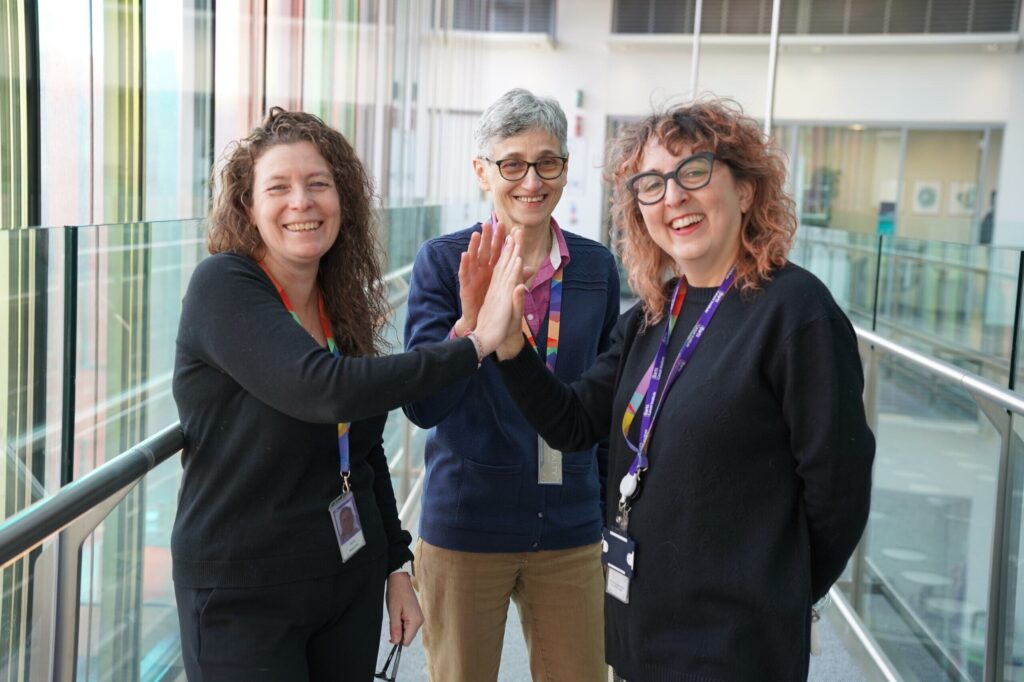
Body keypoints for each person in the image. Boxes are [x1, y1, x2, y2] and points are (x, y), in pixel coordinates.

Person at [485, 99, 875, 680]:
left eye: (693, 172)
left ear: (744, 190)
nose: (673, 197)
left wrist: (774, 590)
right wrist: (511, 347)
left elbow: (837, 493)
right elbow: (571, 423)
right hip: (643, 632)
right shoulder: (653, 315)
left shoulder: (796, 314)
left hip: (733, 648)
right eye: (651, 184)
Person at [171, 107, 526, 681]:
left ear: (344, 201)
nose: (302, 202)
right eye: (278, 187)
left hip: (345, 579)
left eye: (318, 184)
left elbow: (360, 449)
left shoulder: (339, 303)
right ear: (248, 207)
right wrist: (476, 343)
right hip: (245, 592)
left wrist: (394, 566)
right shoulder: (223, 287)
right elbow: (325, 391)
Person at [403, 88, 619, 681]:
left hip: (571, 524)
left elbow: (601, 408)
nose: (532, 180)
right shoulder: (444, 263)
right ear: (482, 172)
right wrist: (470, 326)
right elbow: (424, 406)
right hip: (467, 524)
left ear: (565, 171)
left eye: (548, 162)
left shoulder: (597, 268)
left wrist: (606, 518)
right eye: (512, 163)